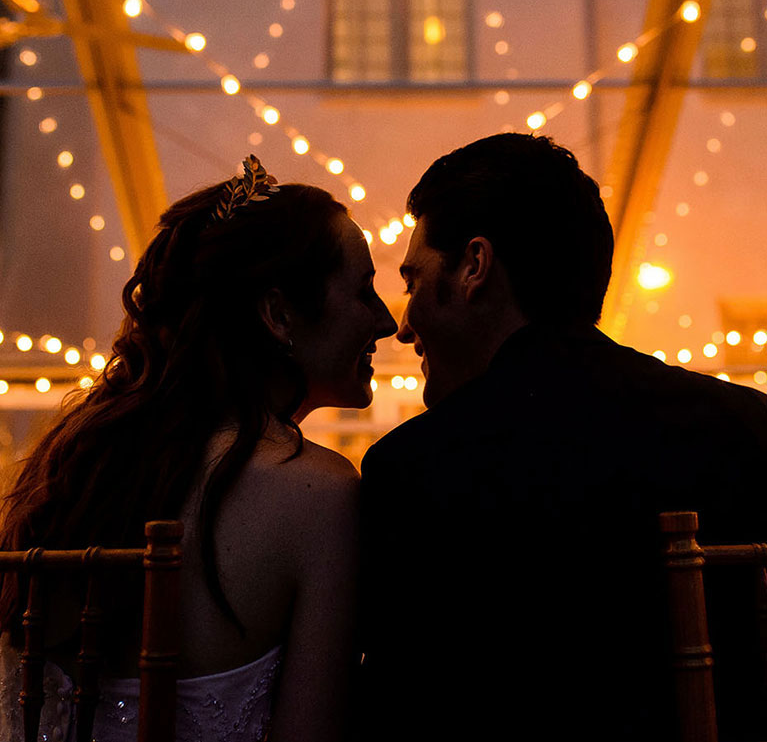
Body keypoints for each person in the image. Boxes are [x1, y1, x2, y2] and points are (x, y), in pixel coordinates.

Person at [359, 133, 767, 742]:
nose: (402, 325)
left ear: (475, 266)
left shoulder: (416, 470)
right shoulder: (748, 430)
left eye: (414, 282)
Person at [0, 155, 396, 742]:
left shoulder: (76, 466)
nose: (388, 322)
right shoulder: (320, 495)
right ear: (279, 315)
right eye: (365, 292)